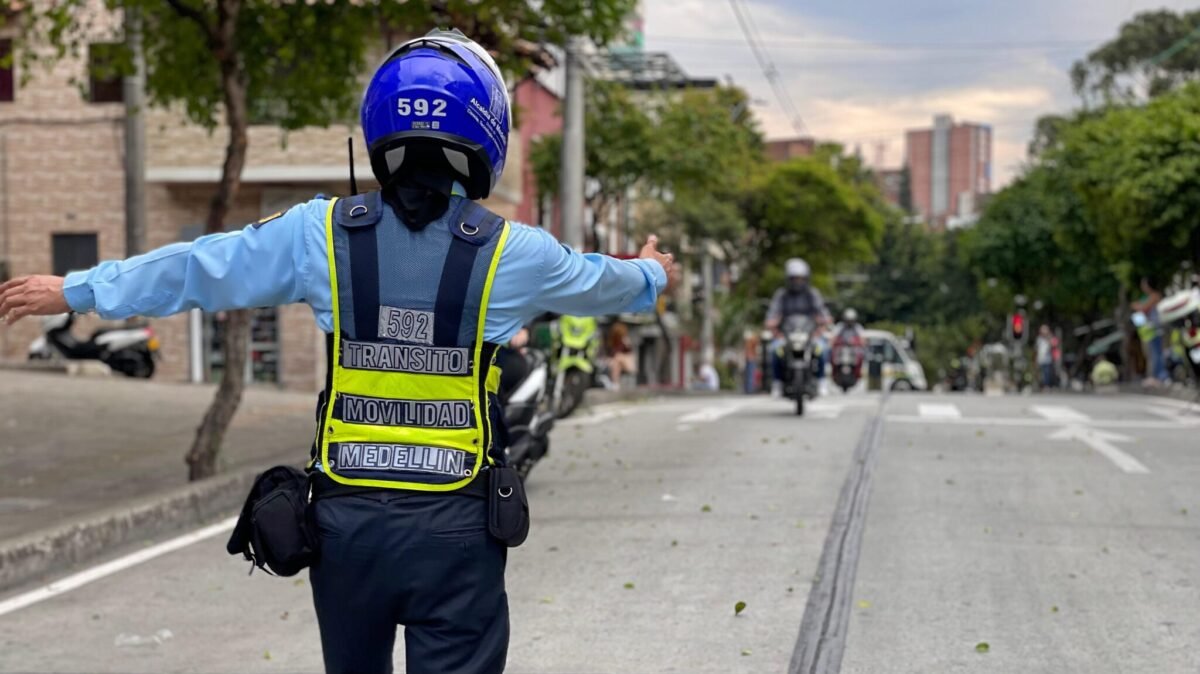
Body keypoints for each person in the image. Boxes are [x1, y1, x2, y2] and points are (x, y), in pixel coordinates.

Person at [0, 29, 675, 674]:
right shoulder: (515, 251)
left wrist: (79, 289)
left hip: (347, 529)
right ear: (487, 129)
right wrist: (653, 271)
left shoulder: (318, 233)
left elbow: (201, 267)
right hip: (457, 530)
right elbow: (605, 283)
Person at [764, 257, 830, 397]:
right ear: (789, 279)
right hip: (786, 336)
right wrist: (772, 322)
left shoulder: (812, 294)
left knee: (822, 350)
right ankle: (777, 383)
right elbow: (772, 314)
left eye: (800, 278)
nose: (797, 282)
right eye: (794, 279)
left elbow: (822, 312)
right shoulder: (781, 295)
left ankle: (821, 380)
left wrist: (824, 321)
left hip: (809, 336)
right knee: (775, 351)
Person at [1132, 278, 1168, 385]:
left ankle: (1160, 376)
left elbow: (1143, 307)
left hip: (1156, 329)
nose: (1142, 287)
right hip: (1151, 329)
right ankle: (1157, 376)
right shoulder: (1149, 297)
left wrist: (1137, 306)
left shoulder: (1154, 296)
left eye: (1144, 284)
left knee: (1157, 353)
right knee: (1153, 353)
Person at [606, 319, 636, 391]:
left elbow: (630, 354)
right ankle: (615, 383)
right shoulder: (611, 343)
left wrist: (626, 343)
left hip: (627, 364)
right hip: (616, 363)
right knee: (616, 363)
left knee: (618, 357)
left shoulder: (625, 342)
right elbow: (609, 356)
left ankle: (615, 383)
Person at [1036, 324, 1055, 390]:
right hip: (1040, 359)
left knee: (1047, 373)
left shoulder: (1049, 338)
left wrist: (1048, 338)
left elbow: (1053, 345)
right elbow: (1037, 349)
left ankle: (1047, 385)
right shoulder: (1039, 339)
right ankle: (1041, 385)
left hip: (1047, 359)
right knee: (1041, 374)